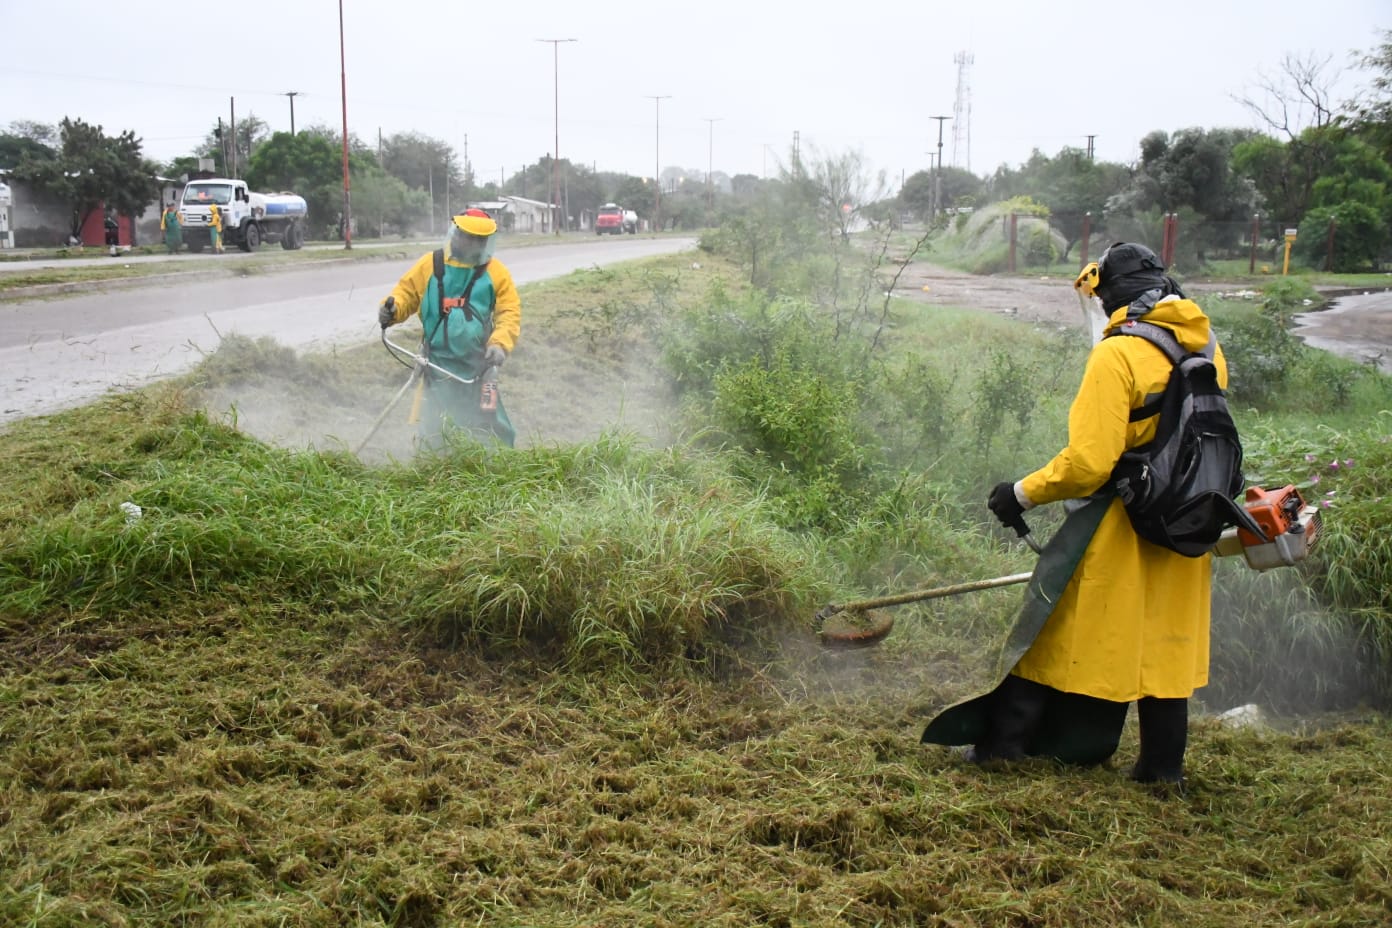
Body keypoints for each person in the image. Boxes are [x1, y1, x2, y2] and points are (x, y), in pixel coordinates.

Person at [923, 242, 1228, 790]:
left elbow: (1089, 464)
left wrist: (1020, 493)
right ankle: (1163, 772)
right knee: (1167, 648)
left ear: (1111, 295)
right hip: (1187, 522)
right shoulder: (1204, 345)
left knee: (1052, 625)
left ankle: (1003, 747)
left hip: (1121, 526)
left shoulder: (1118, 355)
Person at [378, 209, 520, 448]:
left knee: (489, 424)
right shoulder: (431, 265)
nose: (473, 244)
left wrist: (500, 344)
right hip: (436, 365)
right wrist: (391, 310)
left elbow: (509, 313)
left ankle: (495, 466)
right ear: (456, 234)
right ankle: (433, 465)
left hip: (480, 367)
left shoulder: (496, 273)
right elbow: (406, 294)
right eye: (468, 237)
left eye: (480, 240)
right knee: (434, 424)